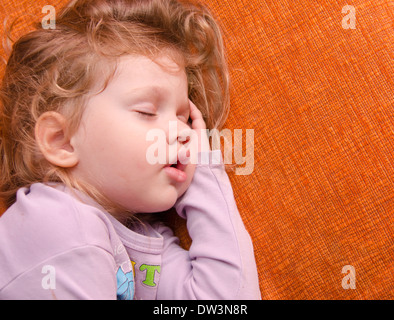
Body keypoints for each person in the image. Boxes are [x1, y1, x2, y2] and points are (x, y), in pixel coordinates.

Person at [0, 0, 260, 299]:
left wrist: (202, 166)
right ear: (62, 140)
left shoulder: (145, 241)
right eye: (147, 112)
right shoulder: (53, 222)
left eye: (184, 117)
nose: (184, 131)